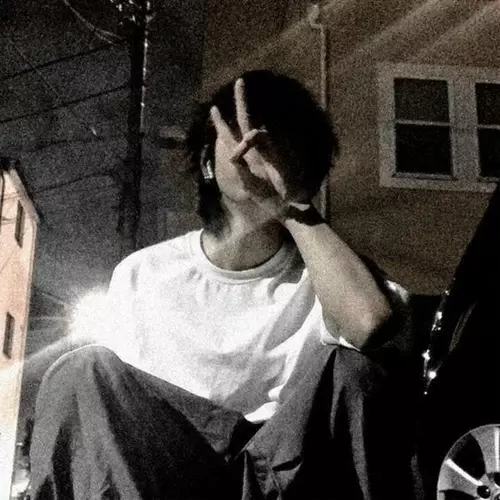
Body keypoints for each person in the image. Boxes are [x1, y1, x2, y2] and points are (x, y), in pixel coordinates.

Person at [30, 70, 419, 499]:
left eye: (279, 141)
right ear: (206, 162)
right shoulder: (144, 274)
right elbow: (111, 433)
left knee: (357, 368)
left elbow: (370, 323)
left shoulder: (331, 275)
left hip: (285, 475)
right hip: (168, 476)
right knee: (80, 371)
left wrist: (292, 207)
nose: (260, 150)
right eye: (244, 131)